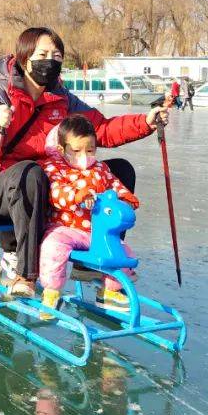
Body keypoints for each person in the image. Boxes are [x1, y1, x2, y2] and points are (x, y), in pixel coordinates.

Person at [0, 27, 167, 298]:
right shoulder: (1, 89)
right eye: (42, 54)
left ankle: (100, 257)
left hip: (54, 183)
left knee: (118, 170)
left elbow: (98, 129)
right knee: (31, 173)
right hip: (5, 187)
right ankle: (26, 276)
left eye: (56, 56)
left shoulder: (61, 97)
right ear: (24, 57)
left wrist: (145, 122)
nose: (50, 61)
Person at [38, 115, 139, 315]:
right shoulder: (54, 168)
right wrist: (77, 196)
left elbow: (115, 186)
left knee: (123, 251)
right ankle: (51, 291)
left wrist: (126, 199)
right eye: (76, 151)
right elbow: (56, 193)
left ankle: (109, 292)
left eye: (90, 150)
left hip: (95, 232)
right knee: (53, 246)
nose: (84, 155)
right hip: (66, 228)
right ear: (62, 149)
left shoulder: (101, 169)